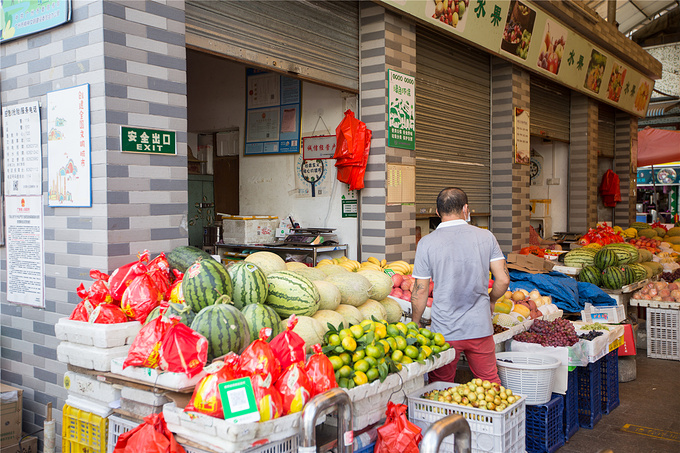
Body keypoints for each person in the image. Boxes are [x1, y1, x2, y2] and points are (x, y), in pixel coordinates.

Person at [411, 187, 510, 384]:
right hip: (480, 327)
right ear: (466, 209)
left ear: (437, 212)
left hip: (444, 331)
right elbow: (503, 279)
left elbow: (420, 290)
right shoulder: (486, 237)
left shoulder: (426, 243)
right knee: (489, 384)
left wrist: (415, 322)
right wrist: (491, 300)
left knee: (440, 386)